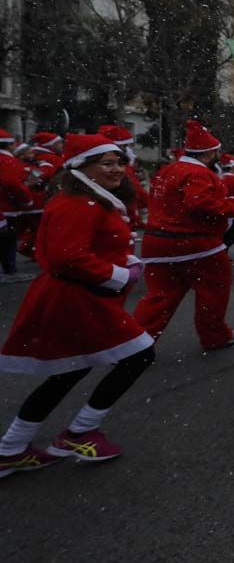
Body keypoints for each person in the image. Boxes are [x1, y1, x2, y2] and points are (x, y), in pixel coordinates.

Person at [0, 135, 155, 475]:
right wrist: (119, 274)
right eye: (107, 163)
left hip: (81, 295)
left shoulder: (89, 199)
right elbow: (67, 256)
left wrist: (124, 261)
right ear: (82, 167)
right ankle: (80, 432)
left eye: (118, 162)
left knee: (70, 370)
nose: (117, 169)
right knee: (140, 355)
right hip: (76, 299)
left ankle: (11, 447)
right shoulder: (76, 203)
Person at [133, 120, 234, 350]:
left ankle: (135, 342)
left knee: (160, 297)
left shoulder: (167, 170)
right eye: (216, 151)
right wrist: (232, 206)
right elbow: (200, 203)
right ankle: (214, 335)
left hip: (157, 242)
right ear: (209, 153)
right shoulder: (198, 173)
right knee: (213, 290)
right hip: (195, 243)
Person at [98, 124, 151, 227]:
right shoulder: (120, 165)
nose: (126, 149)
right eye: (124, 146)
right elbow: (135, 189)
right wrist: (147, 204)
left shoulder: (97, 163)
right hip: (119, 215)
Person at [0, 129, 34, 281]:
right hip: (7, 208)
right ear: (9, 145)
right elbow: (12, 183)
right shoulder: (7, 161)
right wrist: (26, 200)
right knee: (8, 241)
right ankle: (10, 271)